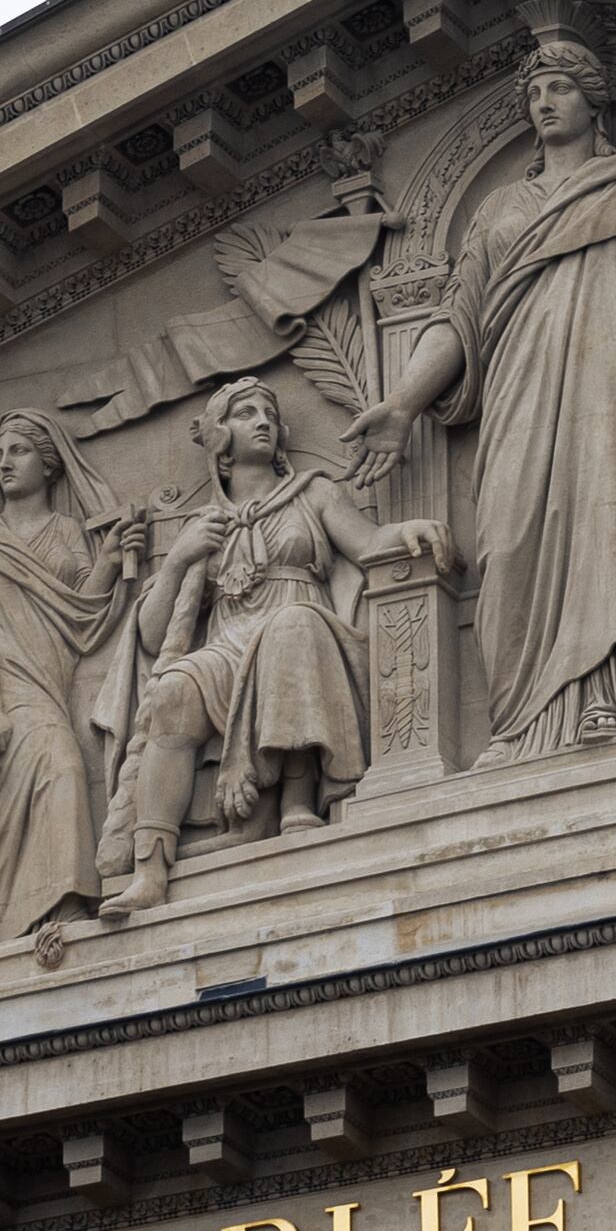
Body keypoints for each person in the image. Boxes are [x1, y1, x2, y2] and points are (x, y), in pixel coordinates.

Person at [349, 34, 616, 758]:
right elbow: (459, 315)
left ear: (594, 100)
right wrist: (404, 403)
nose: (544, 103)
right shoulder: (500, 209)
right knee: (511, 539)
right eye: (535, 93)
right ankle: (523, 723)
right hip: (518, 393)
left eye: (561, 88)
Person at [111, 375, 446, 910]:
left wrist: (409, 530)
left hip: (305, 633)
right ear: (221, 440)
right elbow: (153, 636)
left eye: (268, 413)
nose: (263, 421)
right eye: (245, 414)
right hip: (227, 645)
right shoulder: (205, 525)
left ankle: (295, 802)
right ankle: (151, 869)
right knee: (173, 688)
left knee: (290, 624)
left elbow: (367, 543)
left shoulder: (311, 492)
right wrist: (176, 559)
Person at [0, 408, 142, 941]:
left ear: (50, 463)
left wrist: (110, 557)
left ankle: (42, 907)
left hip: (49, 675)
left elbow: (84, 612)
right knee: (59, 763)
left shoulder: (66, 533)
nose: (4, 463)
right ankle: (51, 906)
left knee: (55, 766)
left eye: (19, 451)